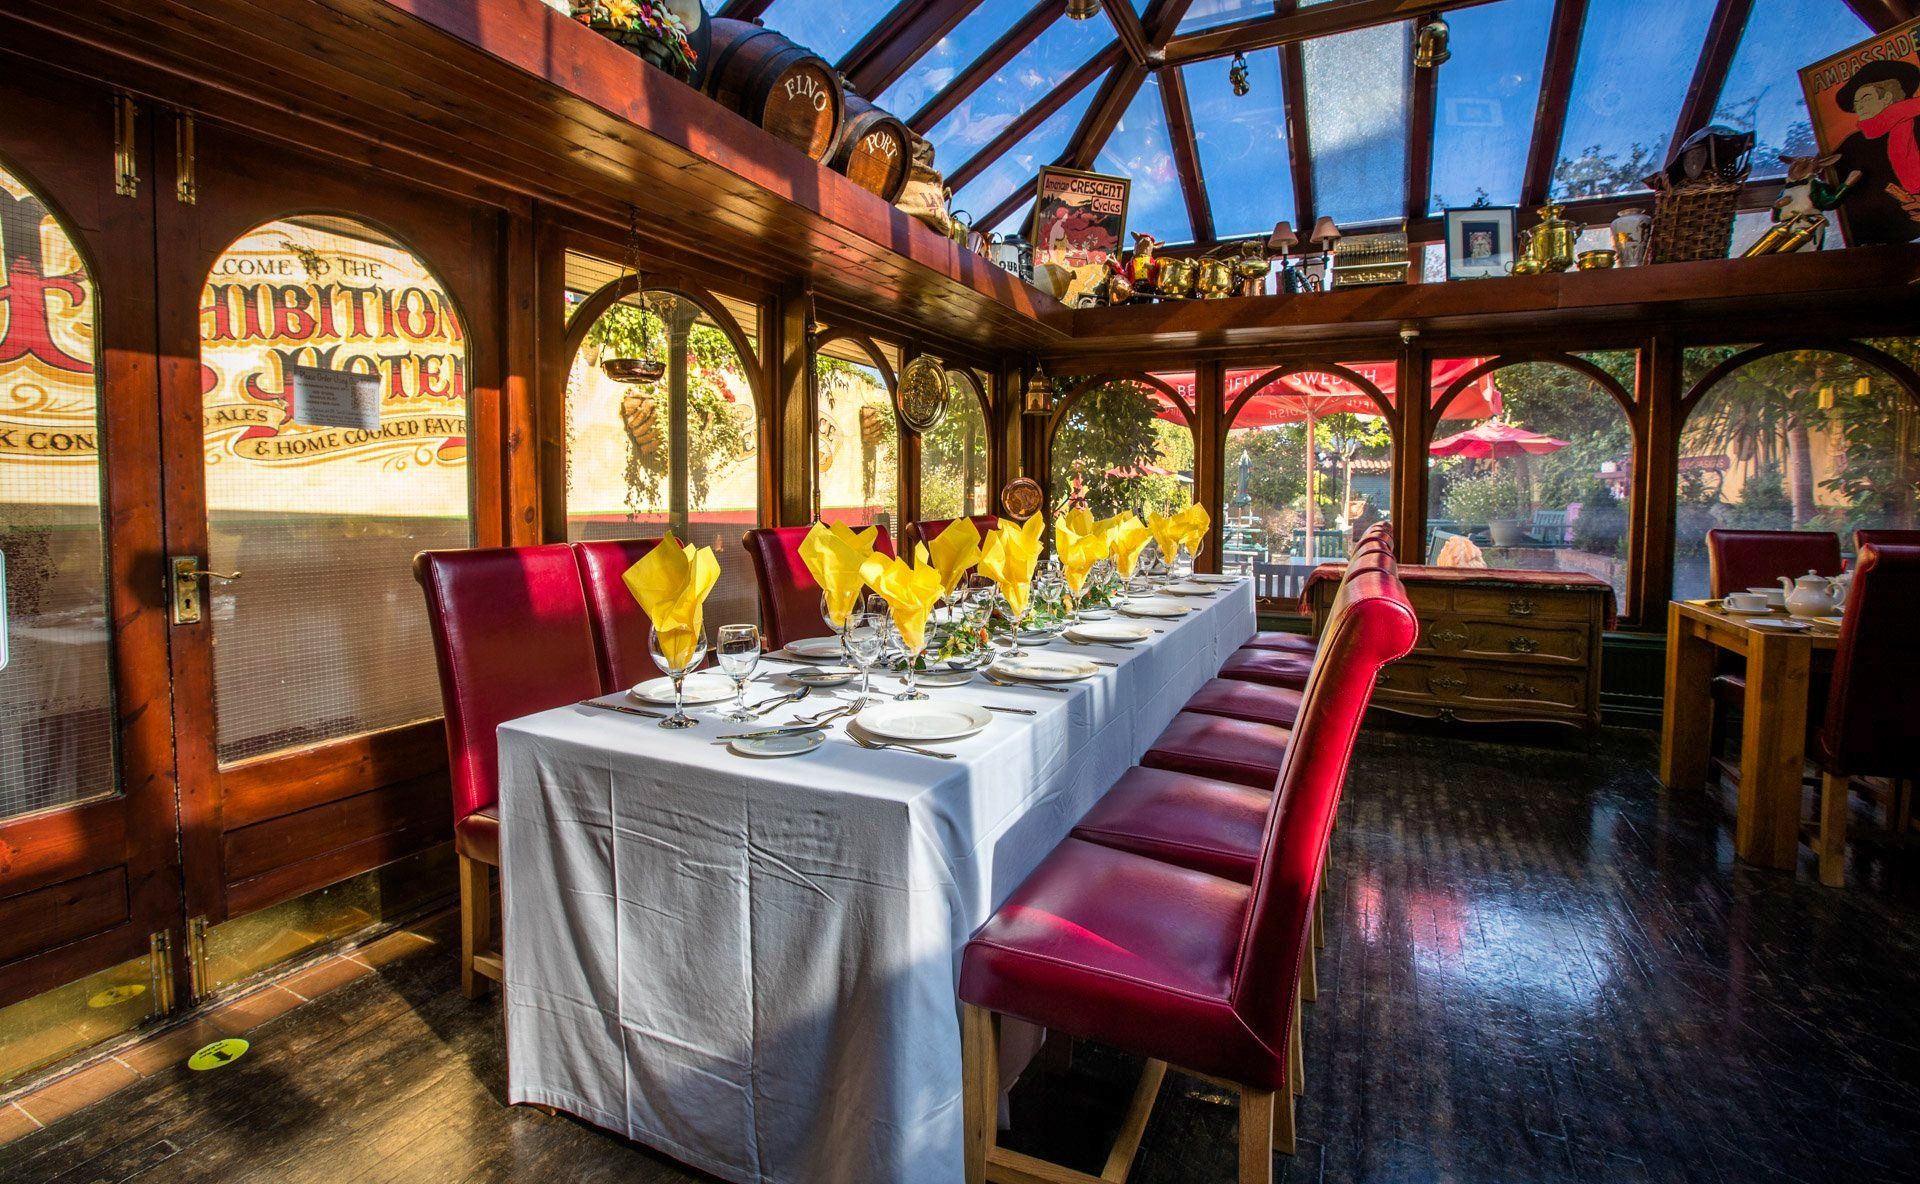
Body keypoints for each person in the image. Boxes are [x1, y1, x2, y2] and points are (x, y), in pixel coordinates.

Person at [1831, 59, 1920, 245]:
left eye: (1865, 98)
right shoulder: (1853, 144)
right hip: (1880, 247)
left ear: (1887, 97)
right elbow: (1835, 184)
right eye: (1856, 103)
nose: (1859, 107)